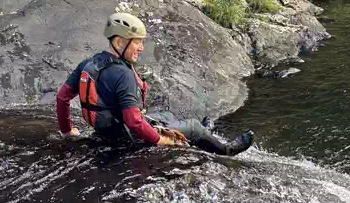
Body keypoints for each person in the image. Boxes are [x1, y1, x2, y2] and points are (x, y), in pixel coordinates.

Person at [55, 12, 255, 156]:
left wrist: (66, 131)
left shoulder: (89, 64)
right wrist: (160, 140)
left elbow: (62, 98)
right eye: (137, 42)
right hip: (127, 136)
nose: (142, 48)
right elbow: (133, 121)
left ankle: (205, 134)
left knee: (166, 116)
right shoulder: (123, 74)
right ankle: (226, 150)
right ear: (118, 43)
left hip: (108, 130)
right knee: (194, 127)